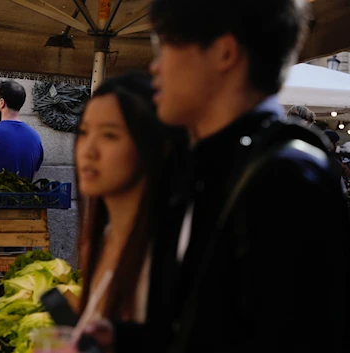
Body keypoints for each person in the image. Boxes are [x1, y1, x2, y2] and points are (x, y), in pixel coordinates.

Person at [82, 1, 349, 353]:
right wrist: (122, 339)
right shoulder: (207, 166)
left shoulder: (287, 178)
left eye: (167, 45)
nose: (155, 67)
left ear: (224, 53)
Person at [76, 72, 170, 323]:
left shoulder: (163, 255)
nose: (88, 150)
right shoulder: (102, 238)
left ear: (148, 146)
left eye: (109, 135)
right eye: (84, 132)